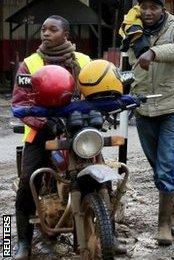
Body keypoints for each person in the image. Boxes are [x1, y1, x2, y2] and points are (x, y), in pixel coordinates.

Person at [11, 15, 91, 259]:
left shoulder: (84, 61)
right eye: (43, 29)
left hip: (78, 130)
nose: (45, 33)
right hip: (40, 131)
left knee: (98, 175)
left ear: (66, 35)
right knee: (27, 182)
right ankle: (20, 241)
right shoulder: (30, 63)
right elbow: (20, 100)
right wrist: (44, 122)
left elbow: (96, 91)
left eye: (52, 29)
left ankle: (110, 234)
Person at [126, 0, 174, 246]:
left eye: (154, 7)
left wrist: (153, 52)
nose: (148, 12)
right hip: (144, 108)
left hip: (172, 106)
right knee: (159, 169)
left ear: (163, 9)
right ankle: (173, 210)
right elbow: (129, 64)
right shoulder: (132, 29)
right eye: (144, 6)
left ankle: (163, 224)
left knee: (166, 166)